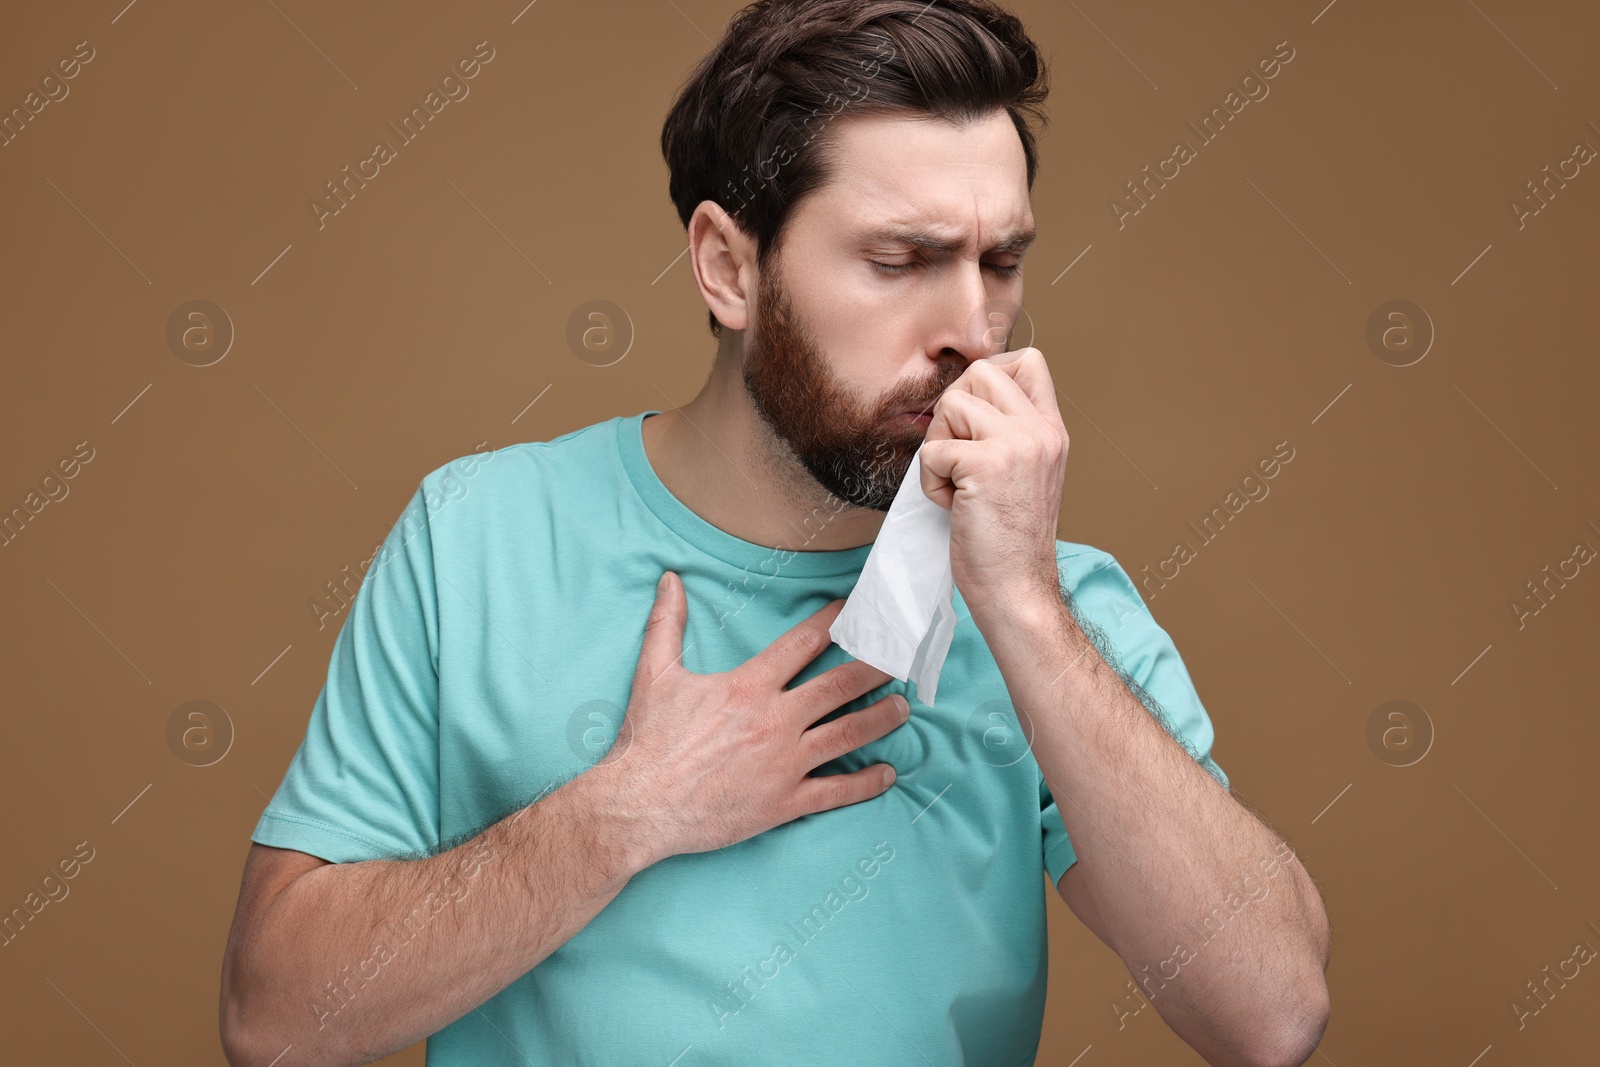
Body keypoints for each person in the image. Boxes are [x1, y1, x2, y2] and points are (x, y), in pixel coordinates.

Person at [220, 1, 1330, 1064]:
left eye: (998, 265)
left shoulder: (1056, 608)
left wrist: (1026, 613)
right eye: (899, 260)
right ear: (728, 265)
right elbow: (273, 1019)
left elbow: (1271, 1015)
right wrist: (628, 811)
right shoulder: (478, 538)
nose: (971, 330)